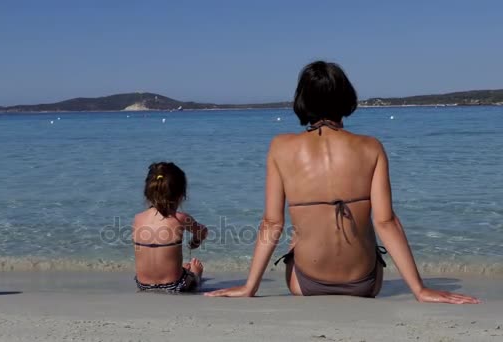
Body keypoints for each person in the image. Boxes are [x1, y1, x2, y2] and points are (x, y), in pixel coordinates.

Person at [206, 61, 479, 304]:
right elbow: (386, 222)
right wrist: (419, 289)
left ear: (302, 100)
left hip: (304, 283)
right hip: (365, 283)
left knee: (295, 237)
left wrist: (249, 287)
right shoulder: (371, 147)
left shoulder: (280, 147)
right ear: (347, 97)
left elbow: (272, 223)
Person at [133, 162, 208, 293]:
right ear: (181, 195)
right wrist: (196, 241)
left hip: (142, 285)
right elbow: (203, 231)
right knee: (194, 272)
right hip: (174, 285)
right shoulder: (180, 218)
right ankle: (196, 275)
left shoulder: (137, 218)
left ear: (148, 193)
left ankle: (179, 270)